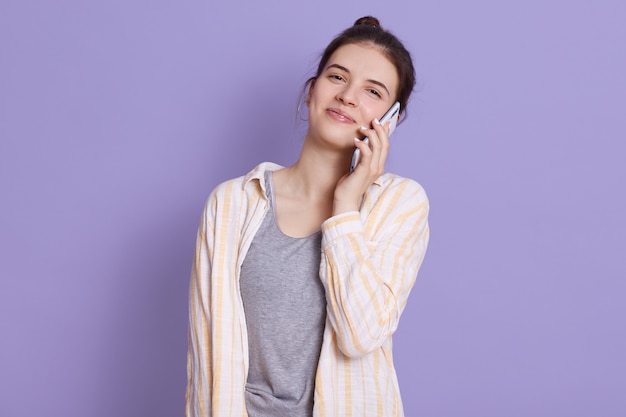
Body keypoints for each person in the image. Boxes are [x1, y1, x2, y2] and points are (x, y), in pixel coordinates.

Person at [186, 16, 430, 417]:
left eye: (373, 90)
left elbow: (360, 335)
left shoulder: (401, 204)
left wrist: (346, 205)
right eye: (337, 77)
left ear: (391, 120)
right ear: (312, 90)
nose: (349, 96)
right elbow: (209, 351)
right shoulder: (232, 202)